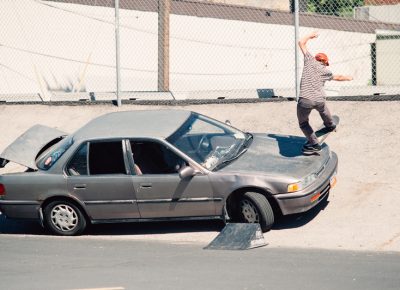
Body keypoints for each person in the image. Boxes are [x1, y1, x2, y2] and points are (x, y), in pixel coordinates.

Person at [297, 32, 353, 153]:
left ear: (316, 59)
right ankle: (330, 124)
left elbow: (301, 42)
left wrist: (310, 36)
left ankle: (314, 144)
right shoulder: (326, 71)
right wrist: (348, 78)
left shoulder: (309, 60)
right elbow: (338, 77)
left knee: (303, 123)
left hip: (305, 100)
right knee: (322, 109)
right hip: (319, 99)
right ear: (325, 63)